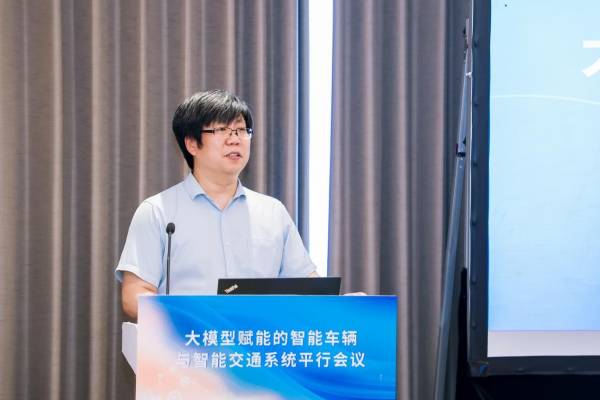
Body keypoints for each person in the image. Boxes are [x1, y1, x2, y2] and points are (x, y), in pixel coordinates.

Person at [115, 90, 317, 319]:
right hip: (189, 338)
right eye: (222, 130)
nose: (235, 139)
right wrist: (192, 316)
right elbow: (135, 295)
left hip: (259, 338)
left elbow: (308, 288)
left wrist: (344, 305)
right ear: (192, 144)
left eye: (241, 130)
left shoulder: (273, 212)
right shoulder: (158, 211)